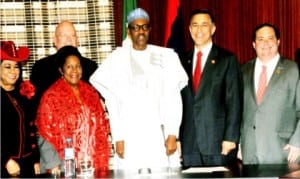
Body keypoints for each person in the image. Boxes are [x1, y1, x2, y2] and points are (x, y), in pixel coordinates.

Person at [90, 8, 188, 174]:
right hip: (130, 136)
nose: (140, 31)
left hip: (159, 135)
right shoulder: (117, 59)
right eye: (136, 27)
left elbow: (174, 98)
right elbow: (112, 102)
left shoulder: (166, 57)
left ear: (149, 29)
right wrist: (118, 137)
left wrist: (173, 133)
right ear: (129, 31)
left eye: (144, 27)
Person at [179, 9, 243, 167]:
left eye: (204, 25)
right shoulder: (180, 61)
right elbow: (176, 102)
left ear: (213, 29)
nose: (199, 30)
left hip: (218, 142)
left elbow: (235, 101)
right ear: (189, 29)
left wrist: (230, 138)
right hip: (189, 143)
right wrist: (178, 137)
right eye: (195, 25)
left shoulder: (227, 59)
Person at [35, 46, 110, 175]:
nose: (74, 70)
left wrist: (101, 158)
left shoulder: (91, 93)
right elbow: (44, 134)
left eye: (78, 66)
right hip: (62, 165)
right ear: (61, 70)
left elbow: (101, 128)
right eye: (69, 66)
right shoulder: (51, 96)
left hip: (89, 163)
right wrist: (54, 165)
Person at [240, 23, 300, 164]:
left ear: (278, 42)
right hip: (249, 151)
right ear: (254, 44)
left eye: (270, 38)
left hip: (283, 151)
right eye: (260, 39)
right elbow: (237, 111)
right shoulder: (243, 71)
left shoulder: (293, 70)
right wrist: (238, 143)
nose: (265, 43)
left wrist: (298, 142)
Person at [30, 20, 98, 107]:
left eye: (72, 36)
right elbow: (36, 105)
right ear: (54, 41)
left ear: (77, 41)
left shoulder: (91, 67)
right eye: (63, 36)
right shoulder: (41, 67)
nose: (68, 40)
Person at [0, 41, 40, 177]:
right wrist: (5, 160)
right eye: (7, 66)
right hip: (5, 168)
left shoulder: (23, 93)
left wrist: (35, 159)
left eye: (16, 66)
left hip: (27, 165)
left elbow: (31, 130)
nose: (13, 71)